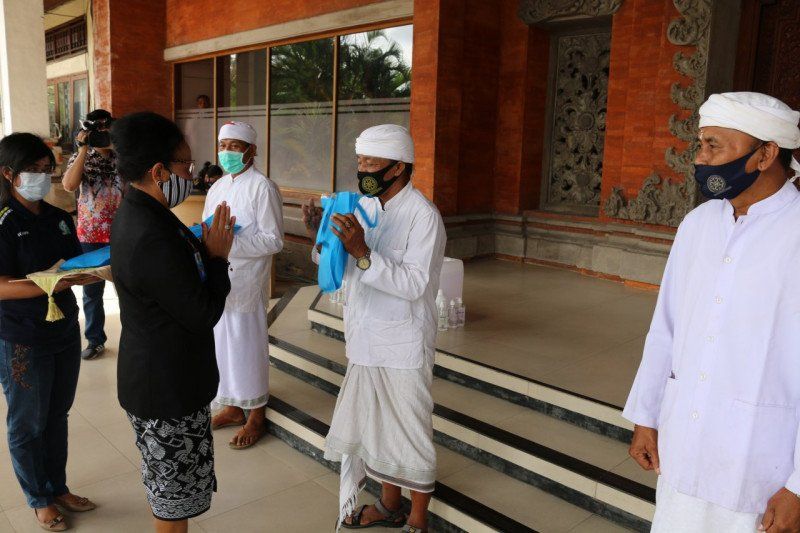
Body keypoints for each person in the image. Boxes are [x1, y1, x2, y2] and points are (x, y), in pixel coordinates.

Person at [624, 92, 800, 533]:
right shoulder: (698, 225)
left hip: (759, 463)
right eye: (700, 144)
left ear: (766, 154)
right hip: (684, 445)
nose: (701, 159)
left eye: (715, 146)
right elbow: (664, 328)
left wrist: (798, 485)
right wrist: (647, 415)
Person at [302, 124, 446, 532]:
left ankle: (418, 520)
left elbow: (415, 285)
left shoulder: (424, 216)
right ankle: (388, 505)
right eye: (359, 161)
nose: (362, 169)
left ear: (399, 167)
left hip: (403, 343)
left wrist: (363, 252)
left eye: (371, 162)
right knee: (376, 431)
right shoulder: (363, 207)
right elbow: (335, 265)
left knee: (410, 432)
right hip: (365, 340)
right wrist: (322, 237)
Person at [110, 112, 234, 533]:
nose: (192, 174)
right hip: (164, 387)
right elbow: (202, 314)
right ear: (158, 171)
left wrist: (199, 246)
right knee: (172, 502)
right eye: (185, 165)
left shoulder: (147, 212)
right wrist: (217, 258)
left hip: (169, 377)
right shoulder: (148, 230)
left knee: (173, 495)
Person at [0, 133, 98, 532]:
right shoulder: (4, 224)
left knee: (57, 415)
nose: (43, 177)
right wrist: (47, 285)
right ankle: (38, 498)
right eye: (34, 171)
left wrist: (98, 269)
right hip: (22, 337)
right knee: (28, 423)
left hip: (63, 329)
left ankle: (57, 486)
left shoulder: (58, 218)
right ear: (8, 174)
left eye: (47, 170)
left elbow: (78, 264)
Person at [203, 121, 284, 449]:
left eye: (236, 147)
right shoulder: (217, 187)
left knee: (247, 344)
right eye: (224, 146)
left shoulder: (263, 187)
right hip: (219, 275)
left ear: (252, 151)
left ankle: (256, 414)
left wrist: (228, 244)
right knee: (222, 343)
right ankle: (234, 406)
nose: (228, 152)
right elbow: (208, 230)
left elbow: (273, 239)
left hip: (247, 280)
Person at [62, 108, 122, 360]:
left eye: (106, 129)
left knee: (130, 288)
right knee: (92, 292)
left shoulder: (124, 157)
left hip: (123, 232)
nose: (102, 135)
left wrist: (120, 145)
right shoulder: (81, 157)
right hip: (91, 234)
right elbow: (68, 185)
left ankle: (135, 336)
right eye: (97, 131)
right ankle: (95, 340)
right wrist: (83, 149)